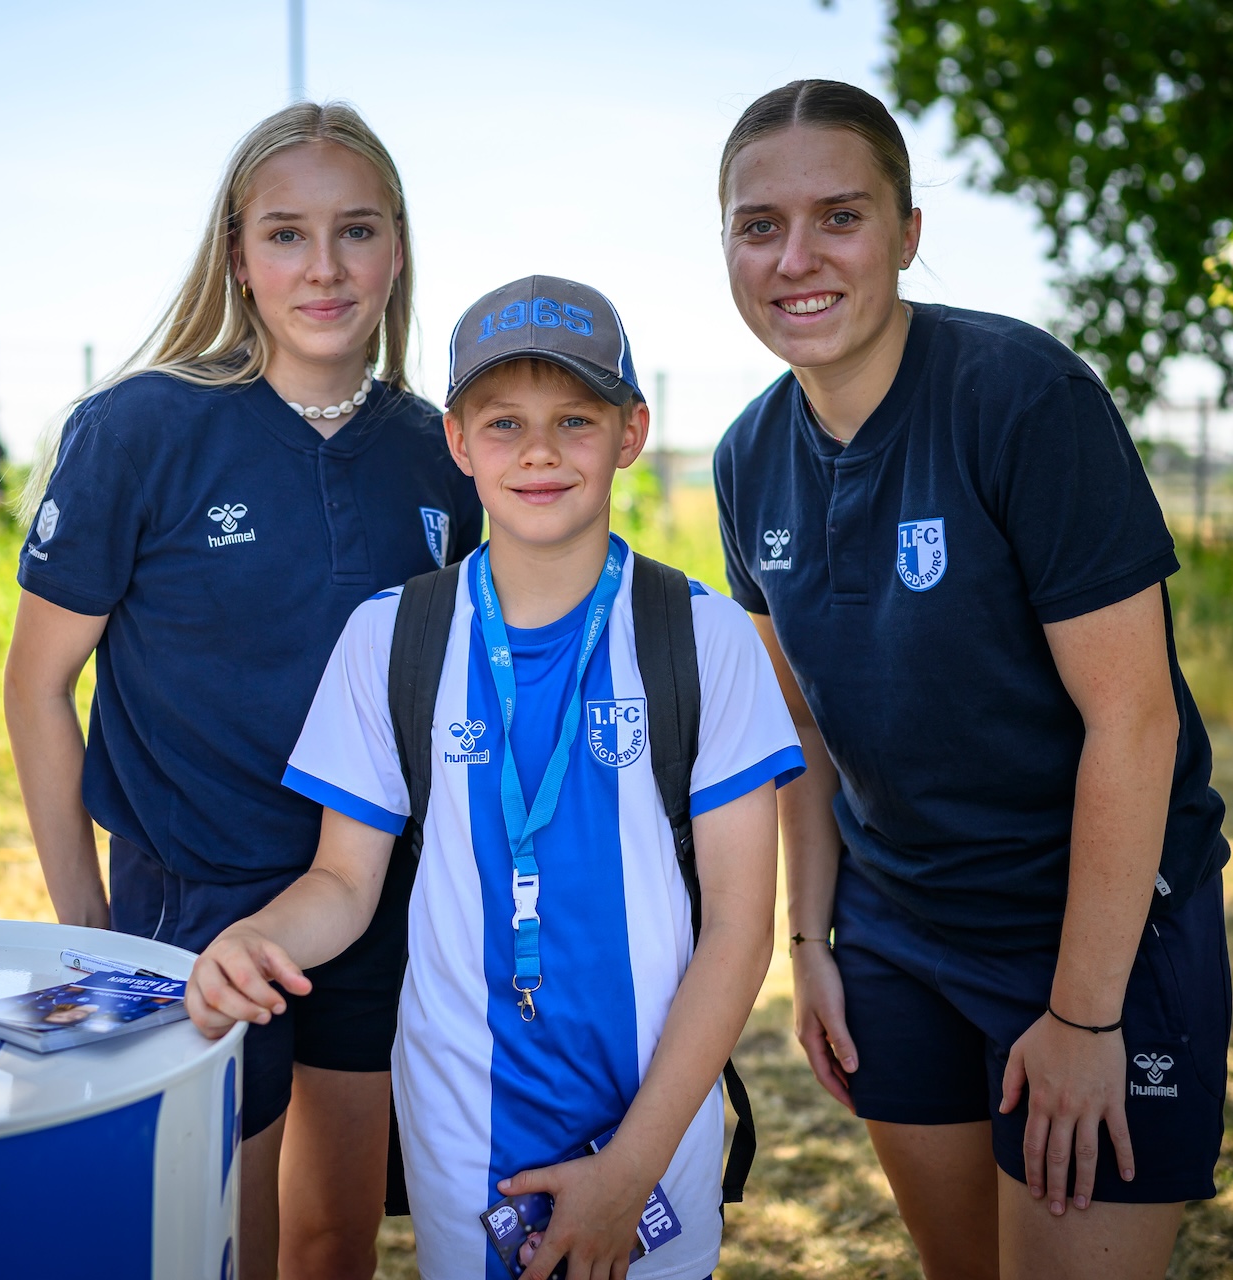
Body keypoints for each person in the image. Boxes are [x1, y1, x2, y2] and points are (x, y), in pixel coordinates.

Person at [710, 81, 1232, 1279]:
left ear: (907, 232)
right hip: (897, 934)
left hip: (1093, 934)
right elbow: (806, 724)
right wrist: (813, 937)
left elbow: (1135, 721)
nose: (796, 257)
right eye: (758, 224)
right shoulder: (748, 457)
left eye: (840, 215)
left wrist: (1085, 1010)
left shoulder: (1023, 399)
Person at [185, 276, 806, 1280]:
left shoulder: (704, 635)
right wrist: (254, 941)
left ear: (631, 431)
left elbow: (740, 928)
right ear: (460, 443)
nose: (542, 451)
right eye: (505, 422)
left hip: (654, 1128)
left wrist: (630, 1167)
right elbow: (345, 883)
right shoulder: (393, 636)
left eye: (575, 418)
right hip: (461, 1123)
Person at [2, 101, 482, 1280]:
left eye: (357, 231)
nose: (323, 267)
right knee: (228, 1240)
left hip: (376, 897)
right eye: (286, 234)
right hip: (193, 909)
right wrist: (89, 929)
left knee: (337, 1235)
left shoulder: (443, 448)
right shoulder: (140, 428)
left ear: (399, 246)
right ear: (236, 253)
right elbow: (36, 686)